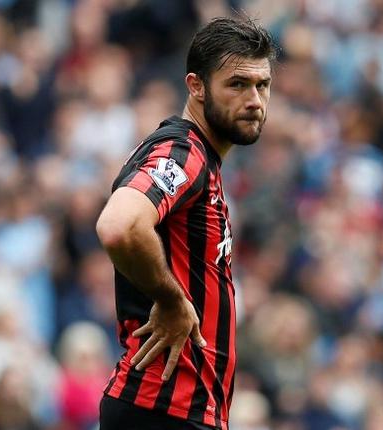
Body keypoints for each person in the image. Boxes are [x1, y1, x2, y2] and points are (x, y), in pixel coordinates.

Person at [95, 16, 276, 430]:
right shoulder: (182, 150)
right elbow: (119, 225)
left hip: (177, 411)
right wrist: (172, 300)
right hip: (162, 409)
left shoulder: (202, 161)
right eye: (237, 84)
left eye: (261, 85)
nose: (254, 100)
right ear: (196, 85)